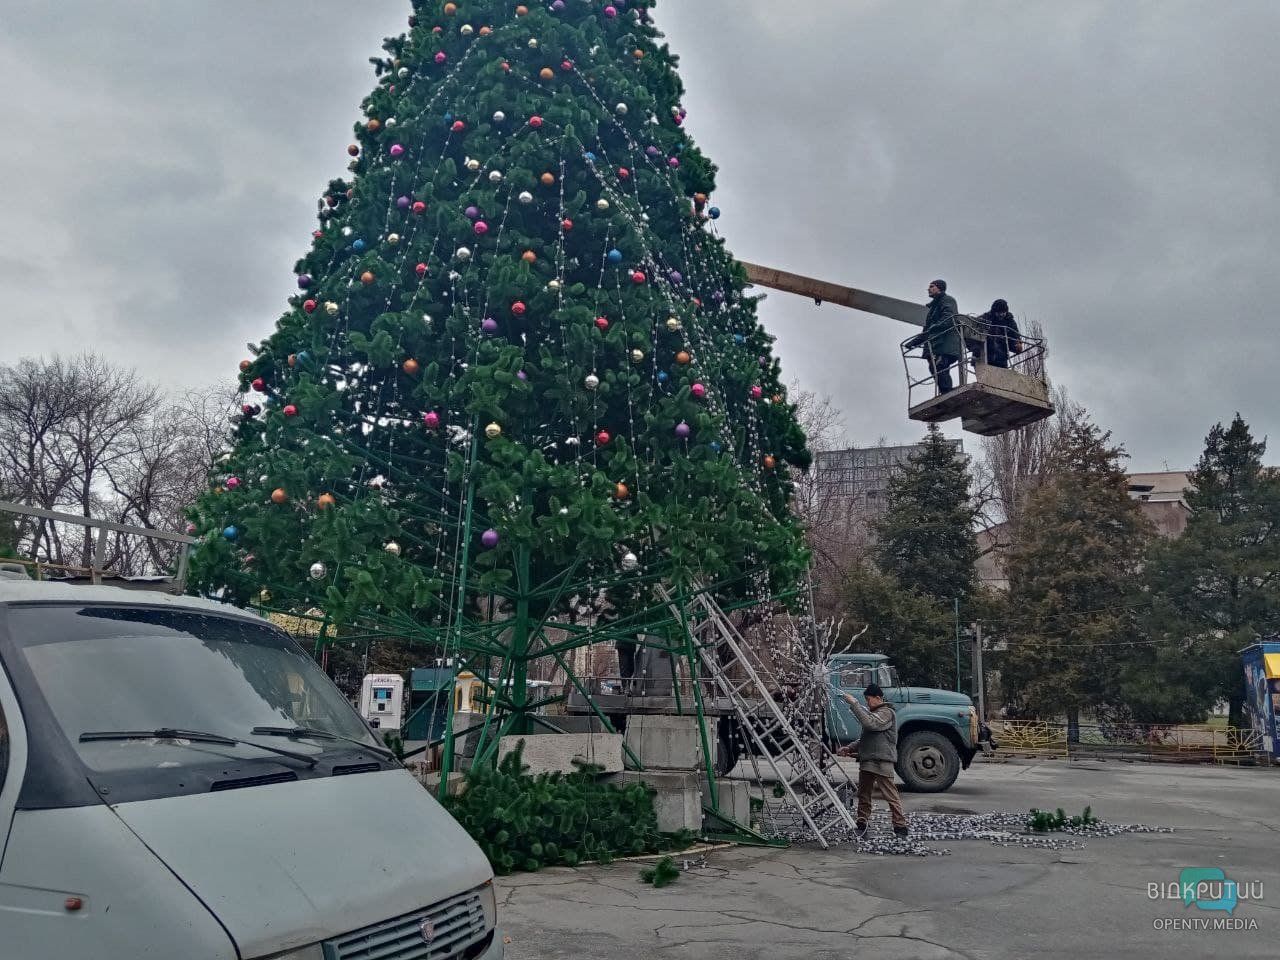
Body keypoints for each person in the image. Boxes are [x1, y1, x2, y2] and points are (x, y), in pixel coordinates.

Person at [839, 684, 909, 838]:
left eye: (868, 699)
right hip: (868, 761)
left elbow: (871, 724)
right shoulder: (875, 713)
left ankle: (900, 826)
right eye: (865, 700)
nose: (867, 703)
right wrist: (850, 748)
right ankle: (862, 823)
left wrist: (854, 704)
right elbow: (867, 736)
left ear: (878, 698)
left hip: (881, 761)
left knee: (891, 795)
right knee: (864, 795)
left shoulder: (886, 713)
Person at [909, 280, 962, 393]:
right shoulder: (933, 308)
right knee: (935, 367)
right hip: (938, 344)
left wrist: (934, 327)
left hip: (945, 344)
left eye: (932, 286)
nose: (928, 289)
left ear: (940, 288)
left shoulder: (947, 300)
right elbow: (927, 331)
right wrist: (913, 343)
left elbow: (949, 318)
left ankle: (947, 392)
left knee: (939, 366)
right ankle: (945, 392)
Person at [977, 299, 1022, 368]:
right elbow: (974, 330)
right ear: (994, 312)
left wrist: (1017, 345)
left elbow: (1015, 336)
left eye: (1003, 312)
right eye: (998, 312)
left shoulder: (1010, 322)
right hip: (985, 357)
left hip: (1001, 359)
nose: (1001, 315)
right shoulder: (985, 318)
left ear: (1006, 311)